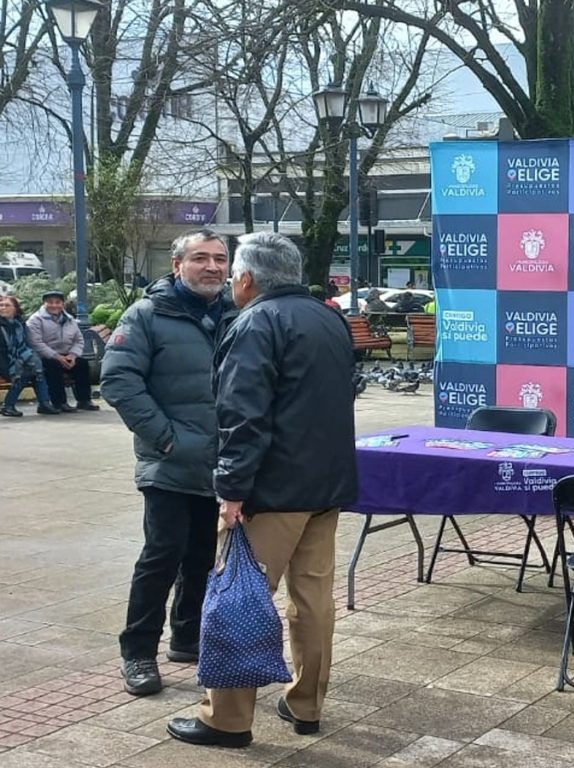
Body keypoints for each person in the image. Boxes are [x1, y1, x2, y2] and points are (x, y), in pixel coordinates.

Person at [167, 232, 357, 749]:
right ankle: (307, 703)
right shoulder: (328, 318)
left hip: (270, 491)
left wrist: (231, 489)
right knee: (313, 600)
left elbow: (242, 415)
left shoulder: (256, 322)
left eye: (233, 274)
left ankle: (226, 719)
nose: (231, 282)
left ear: (247, 279)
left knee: (237, 596)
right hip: (325, 485)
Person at [101, 229, 235, 696]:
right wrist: (167, 439)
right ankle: (138, 652)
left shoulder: (237, 313)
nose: (212, 267)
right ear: (177, 265)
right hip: (169, 462)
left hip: (222, 462)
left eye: (220, 258)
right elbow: (119, 381)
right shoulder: (147, 314)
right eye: (200, 258)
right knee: (162, 556)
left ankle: (187, 637)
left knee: (203, 556)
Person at [26, 290, 98, 412]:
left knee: (82, 364)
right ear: (44, 303)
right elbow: (36, 343)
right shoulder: (35, 320)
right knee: (53, 366)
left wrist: (73, 355)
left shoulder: (70, 319)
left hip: (67, 355)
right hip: (45, 356)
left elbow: (79, 340)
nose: (54, 305)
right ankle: (59, 402)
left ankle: (84, 400)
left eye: (57, 302)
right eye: (50, 302)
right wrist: (57, 357)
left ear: (62, 304)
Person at [0, 295, 59, 416]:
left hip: (20, 359)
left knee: (37, 369)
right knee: (26, 373)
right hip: (4, 362)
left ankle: (43, 404)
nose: (3, 308)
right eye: (1, 305)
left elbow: (27, 344)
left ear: (15, 309)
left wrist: (28, 358)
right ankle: (8, 405)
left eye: (7, 305)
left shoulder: (19, 324)